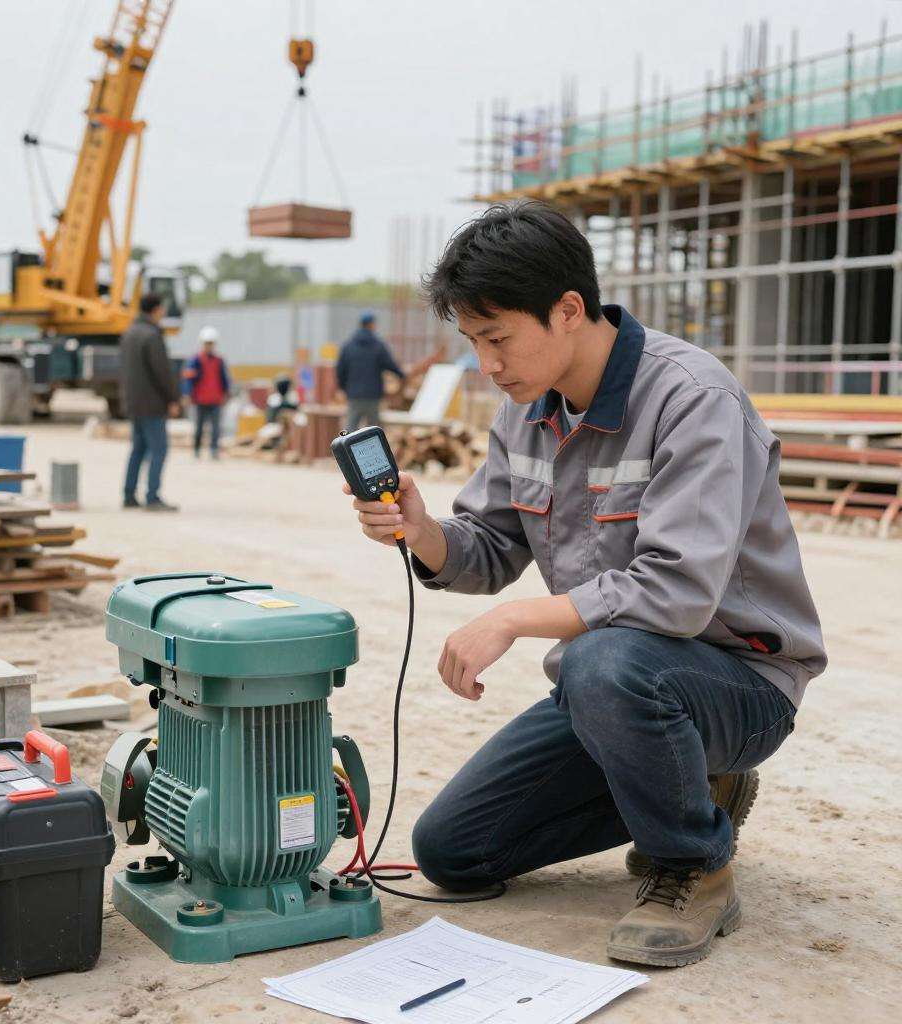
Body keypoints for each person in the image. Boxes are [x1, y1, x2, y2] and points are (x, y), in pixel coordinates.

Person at [344, 201, 826, 968]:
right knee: (452, 851)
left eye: (497, 338)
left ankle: (692, 863)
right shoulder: (524, 413)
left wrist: (513, 620)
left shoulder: (691, 399)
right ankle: (696, 790)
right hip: (614, 693)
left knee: (598, 659)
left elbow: (677, 591)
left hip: (738, 680)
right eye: (473, 342)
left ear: (569, 310)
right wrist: (423, 532)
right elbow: (492, 546)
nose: (487, 365)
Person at [119, 293, 181, 511]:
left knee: (138, 449)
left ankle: (128, 495)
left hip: (134, 403)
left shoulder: (129, 333)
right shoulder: (152, 336)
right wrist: (173, 398)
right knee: (159, 449)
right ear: (156, 310)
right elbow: (162, 372)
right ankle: (152, 496)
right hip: (152, 404)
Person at [336, 311, 405, 431]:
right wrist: (401, 374)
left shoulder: (348, 346)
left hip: (354, 394)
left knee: (351, 427)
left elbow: (340, 370)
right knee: (373, 430)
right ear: (371, 325)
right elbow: (389, 364)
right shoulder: (378, 345)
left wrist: (344, 388)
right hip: (373, 395)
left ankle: (347, 450)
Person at [182, 326, 231, 460]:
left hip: (215, 399)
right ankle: (197, 449)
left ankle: (214, 449)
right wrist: (187, 394)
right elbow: (188, 379)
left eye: (211, 343)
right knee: (199, 427)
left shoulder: (219, 361)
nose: (209, 346)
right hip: (200, 399)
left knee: (216, 428)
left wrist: (226, 393)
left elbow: (224, 379)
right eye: (207, 343)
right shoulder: (195, 360)